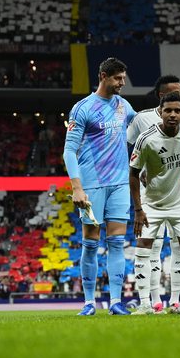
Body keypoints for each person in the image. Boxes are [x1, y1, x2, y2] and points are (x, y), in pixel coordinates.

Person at [126, 74, 180, 315]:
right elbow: (131, 157)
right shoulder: (143, 126)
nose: (174, 113)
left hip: (179, 199)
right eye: (169, 109)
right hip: (151, 198)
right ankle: (148, 302)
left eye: (178, 109)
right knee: (148, 246)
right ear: (160, 108)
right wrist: (138, 206)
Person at [64, 57, 136, 316]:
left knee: (117, 242)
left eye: (123, 78)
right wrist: (76, 187)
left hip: (119, 183)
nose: (122, 83)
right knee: (91, 243)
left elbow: (142, 130)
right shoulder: (82, 108)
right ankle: (89, 303)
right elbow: (69, 151)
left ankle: (116, 302)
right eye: (118, 78)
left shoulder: (123, 106)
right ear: (104, 76)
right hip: (92, 183)